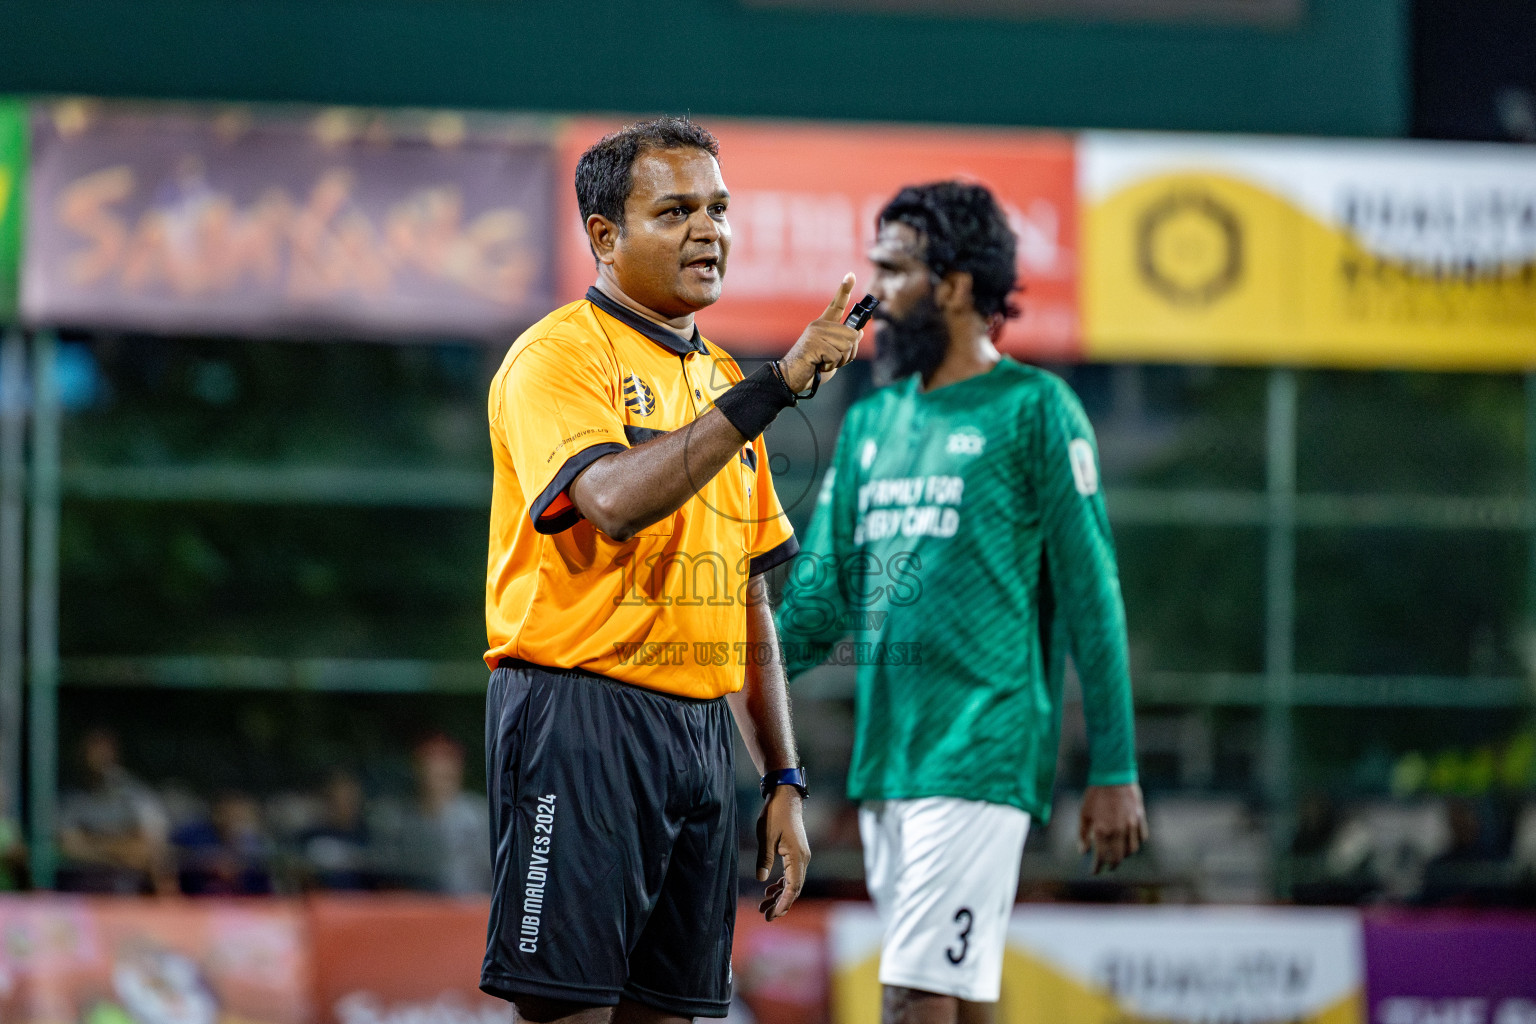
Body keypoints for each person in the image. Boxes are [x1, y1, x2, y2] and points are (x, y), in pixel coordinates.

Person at [481, 116, 859, 1024]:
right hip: (578, 717)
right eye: (677, 210)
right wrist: (772, 388)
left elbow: (746, 598)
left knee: (670, 1013)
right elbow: (607, 501)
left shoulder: (720, 377)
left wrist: (783, 781)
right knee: (565, 1009)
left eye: (719, 208)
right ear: (605, 237)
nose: (709, 231)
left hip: (697, 740)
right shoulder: (557, 356)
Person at [776, 181, 1149, 1024]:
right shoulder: (873, 426)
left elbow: (1095, 599)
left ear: (950, 285)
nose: (867, 293)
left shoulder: (1036, 410)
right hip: (888, 760)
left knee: (911, 995)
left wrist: (1116, 767)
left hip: (981, 747)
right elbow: (819, 600)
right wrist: (726, 664)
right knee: (957, 988)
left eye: (891, 270)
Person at [56, 726, 176, 895]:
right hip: (78, 895)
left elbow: (145, 850)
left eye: (102, 750)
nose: (96, 757)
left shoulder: (133, 794)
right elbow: (66, 847)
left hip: (125, 895)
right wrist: (118, 847)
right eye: (91, 750)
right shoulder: (69, 798)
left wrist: (92, 842)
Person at [375, 734, 492, 894]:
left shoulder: (479, 814)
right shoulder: (397, 817)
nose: (441, 769)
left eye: (448, 761)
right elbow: (387, 875)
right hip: (419, 910)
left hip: (471, 908)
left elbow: (496, 872)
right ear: (417, 768)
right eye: (433, 762)